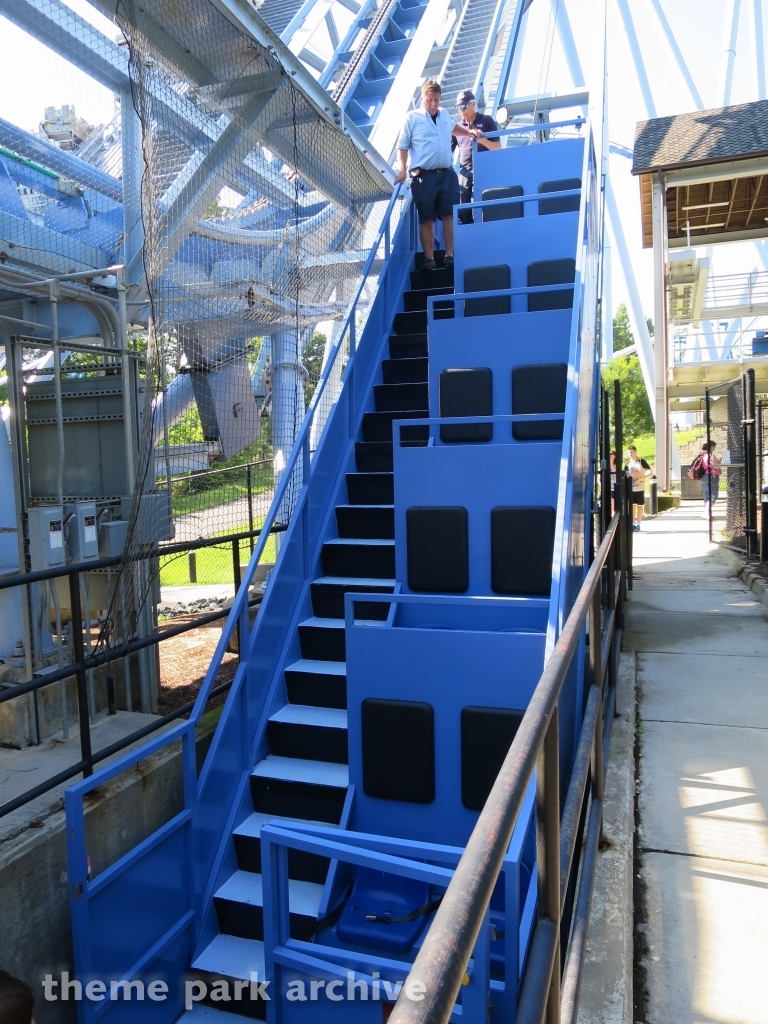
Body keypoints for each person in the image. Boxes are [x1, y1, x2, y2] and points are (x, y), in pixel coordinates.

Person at [395, 80, 484, 269]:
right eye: (429, 100)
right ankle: (429, 259)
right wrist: (402, 170)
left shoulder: (444, 115)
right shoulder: (412, 118)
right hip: (423, 177)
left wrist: (469, 132)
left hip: (447, 175)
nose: (434, 104)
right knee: (427, 218)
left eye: (436, 100)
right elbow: (402, 147)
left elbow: (453, 128)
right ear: (422, 99)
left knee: (448, 217)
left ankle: (449, 255)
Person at [452, 89, 501, 223]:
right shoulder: (457, 128)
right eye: (458, 107)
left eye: (463, 106)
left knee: (489, 196)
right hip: (465, 168)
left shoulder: (486, 121)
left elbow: (498, 147)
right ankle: (468, 226)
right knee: (461, 197)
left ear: (473, 104)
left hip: (485, 165)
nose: (460, 110)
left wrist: (482, 140)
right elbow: (447, 151)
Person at [625, 445, 651, 531]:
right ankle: (632, 524)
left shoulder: (641, 461)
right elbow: (625, 475)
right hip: (631, 488)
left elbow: (650, 471)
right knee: (632, 506)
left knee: (640, 506)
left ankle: (638, 524)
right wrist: (631, 476)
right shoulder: (627, 463)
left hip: (640, 488)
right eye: (629, 452)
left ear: (635, 452)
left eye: (632, 452)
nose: (630, 454)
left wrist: (642, 478)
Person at [700, 440, 721, 519]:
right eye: (714, 447)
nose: (714, 449)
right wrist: (719, 462)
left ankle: (706, 512)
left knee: (706, 495)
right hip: (712, 476)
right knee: (713, 495)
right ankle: (706, 512)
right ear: (712, 447)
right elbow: (715, 466)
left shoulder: (702, 454)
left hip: (703, 476)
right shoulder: (709, 455)